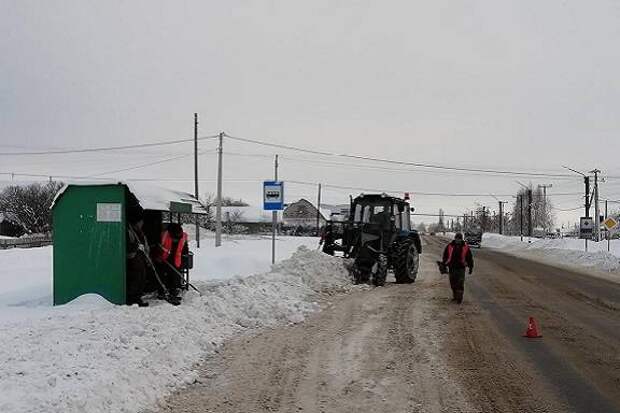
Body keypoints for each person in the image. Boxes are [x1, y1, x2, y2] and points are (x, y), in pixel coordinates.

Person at [157, 223, 188, 299]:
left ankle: (174, 290)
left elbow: (185, 249)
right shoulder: (164, 235)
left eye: (177, 238)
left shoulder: (183, 236)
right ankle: (163, 291)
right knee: (163, 275)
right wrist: (159, 256)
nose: (175, 240)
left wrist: (184, 257)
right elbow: (158, 247)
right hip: (164, 259)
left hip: (176, 259)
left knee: (175, 275)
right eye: (174, 238)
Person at [126, 206, 149, 307]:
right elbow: (125, 245)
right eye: (141, 222)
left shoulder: (139, 232)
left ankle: (137, 297)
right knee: (136, 278)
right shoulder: (129, 231)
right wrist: (136, 246)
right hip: (132, 258)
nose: (142, 224)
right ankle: (132, 298)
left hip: (140, 257)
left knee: (142, 277)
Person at [442, 233, 474, 303]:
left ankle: (459, 298)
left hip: (461, 268)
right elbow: (445, 256)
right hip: (452, 267)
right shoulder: (450, 246)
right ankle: (455, 296)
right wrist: (444, 264)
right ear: (455, 238)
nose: (458, 240)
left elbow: (469, 258)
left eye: (459, 239)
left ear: (461, 239)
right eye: (457, 238)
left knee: (460, 283)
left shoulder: (465, 247)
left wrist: (471, 267)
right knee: (453, 283)